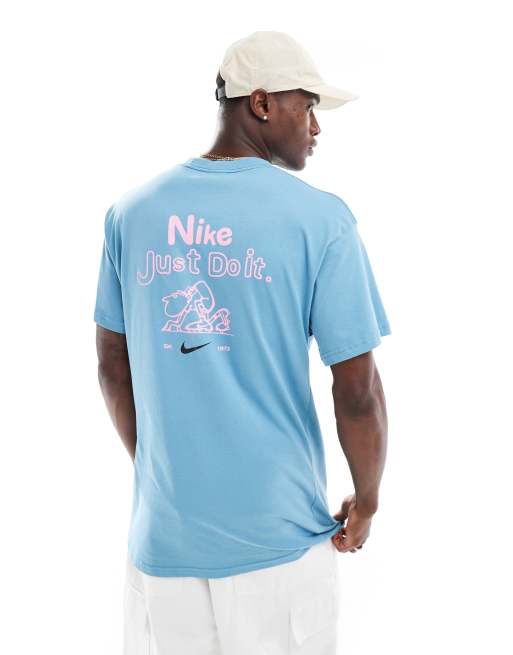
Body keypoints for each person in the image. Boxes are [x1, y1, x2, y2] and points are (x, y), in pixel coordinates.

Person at [94, 30, 391, 655]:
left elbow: (112, 367)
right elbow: (358, 390)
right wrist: (366, 501)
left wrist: (169, 475)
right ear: (261, 103)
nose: (316, 127)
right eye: (307, 107)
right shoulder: (321, 220)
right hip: (277, 548)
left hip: (163, 545)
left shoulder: (131, 214)